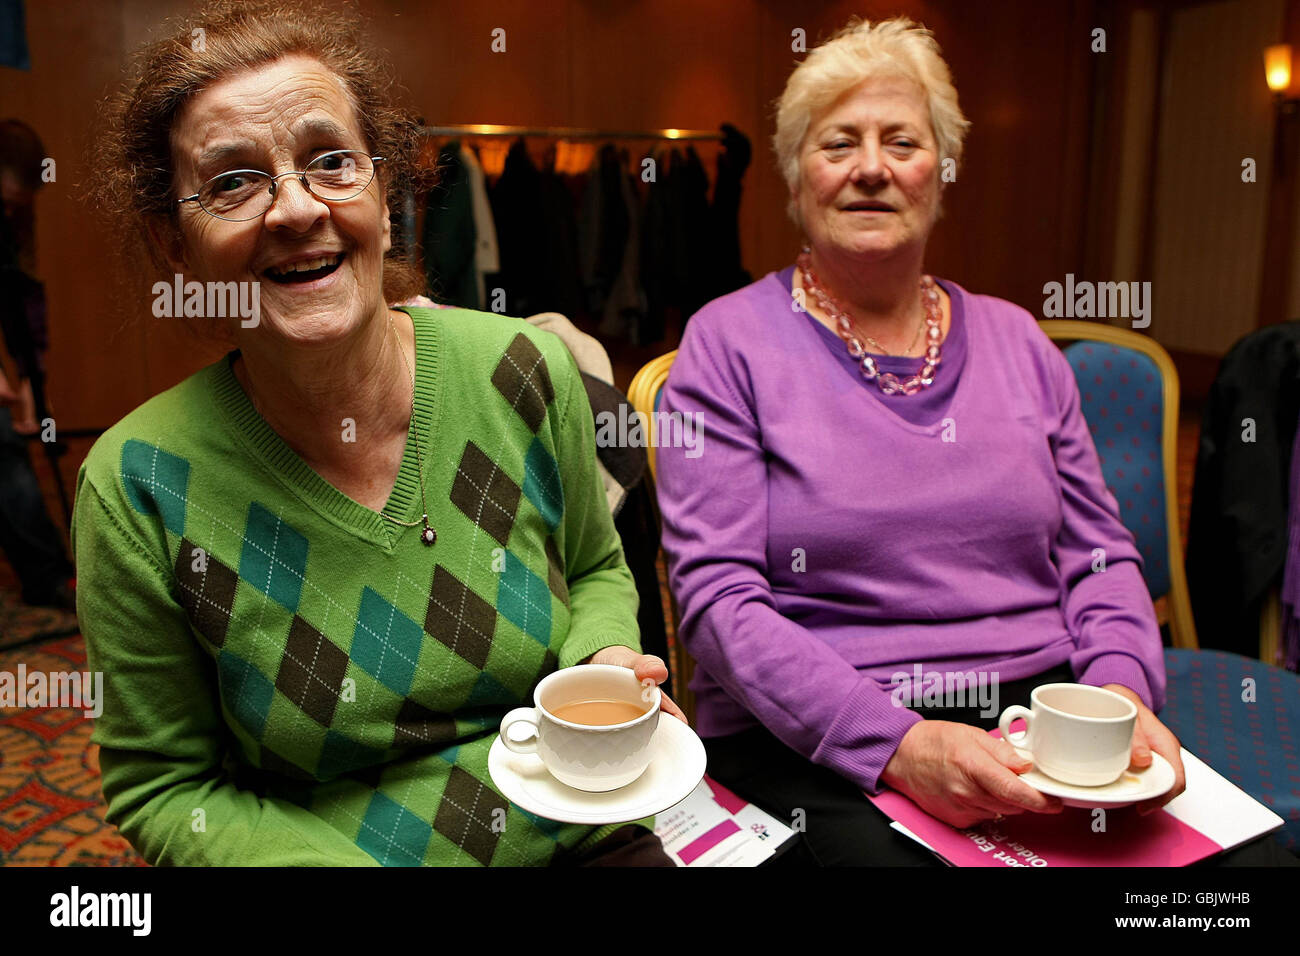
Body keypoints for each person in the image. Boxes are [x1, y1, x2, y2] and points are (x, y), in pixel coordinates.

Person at [656, 17, 1295, 866]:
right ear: (795, 176)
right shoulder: (727, 343)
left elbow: (1099, 555)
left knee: (1239, 885)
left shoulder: (1019, 342)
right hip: (824, 732)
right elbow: (718, 598)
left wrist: (1119, 691)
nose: (872, 168)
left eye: (902, 141)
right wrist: (898, 745)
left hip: (1043, 717)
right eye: (839, 143)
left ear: (941, 171)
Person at [74, 0, 680, 867]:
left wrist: (606, 653)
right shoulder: (137, 485)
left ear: (386, 202)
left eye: (330, 162)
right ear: (176, 245)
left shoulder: (523, 370)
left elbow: (593, 566)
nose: (294, 209)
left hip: (585, 837)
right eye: (233, 182)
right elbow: (165, 791)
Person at [0, 118, 75, 611]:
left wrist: (32, 379)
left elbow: (21, 298)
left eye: (16, 206)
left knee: (8, 444)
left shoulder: (13, 223)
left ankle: (52, 569)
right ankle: (48, 571)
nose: (8, 212)